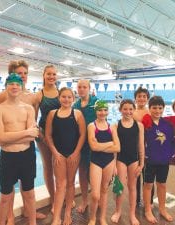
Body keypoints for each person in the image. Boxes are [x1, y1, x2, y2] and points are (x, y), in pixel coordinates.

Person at [0, 60, 45, 222]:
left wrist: (26, 133)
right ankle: (7, 218)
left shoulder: (29, 105)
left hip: (27, 155)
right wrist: (26, 132)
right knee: (5, 196)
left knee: (29, 193)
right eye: (11, 83)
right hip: (8, 157)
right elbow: (1, 139)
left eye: (19, 81)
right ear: (6, 85)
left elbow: (33, 134)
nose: (15, 85)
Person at [45, 87, 86, 225]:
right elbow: (48, 135)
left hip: (73, 154)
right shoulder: (52, 114)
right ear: (59, 98)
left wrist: (76, 152)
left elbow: (82, 135)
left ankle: (68, 213)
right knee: (60, 184)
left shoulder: (77, 114)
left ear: (73, 99)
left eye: (69, 97)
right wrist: (55, 153)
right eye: (63, 96)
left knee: (70, 183)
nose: (66, 99)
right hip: (58, 154)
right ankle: (57, 217)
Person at [141, 96, 175, 223]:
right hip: (149, 161)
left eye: (160, 108)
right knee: (148, 185)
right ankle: (147, 211)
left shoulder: (167, 124)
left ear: (163, 108)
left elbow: (173, 142)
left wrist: (170, 155)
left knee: (162, 184)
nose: (157, 110)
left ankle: (162, 209)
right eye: (154, 108)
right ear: (149, 109)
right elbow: (140, 142)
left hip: (164, 161)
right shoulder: (145, 124)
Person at [110, 99, 144, 225]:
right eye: (125, 109)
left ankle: (132, 214)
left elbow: (141, 146)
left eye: (130, 109)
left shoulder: (139, 125)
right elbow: (114, 148)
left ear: (134, 110)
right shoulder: (116, 125)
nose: (128, 112)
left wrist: (141, 164)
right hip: (121, 159)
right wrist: (113, 165)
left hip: (134, 159)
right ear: (120, 110)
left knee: (132, 187)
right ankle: (118, 211)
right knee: (119, 187)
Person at [87, 100, 120, 225]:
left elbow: (118, 148)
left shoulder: (112, 126)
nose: (102, 112)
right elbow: (93, 147)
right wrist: (110, 143)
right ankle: (92, 218)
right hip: (96, 161)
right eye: (100, 110)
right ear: (96, 111)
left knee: (104, 190)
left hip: (109, 162)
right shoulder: (91, 126)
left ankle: (102, 218)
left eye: (105, 110)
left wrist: (100, 145)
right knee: (95, 195)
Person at [34, 65, 60, 213]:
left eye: (54, 74)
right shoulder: (39, 95)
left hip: (59, 135)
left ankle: (62, 195)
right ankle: (53, 198)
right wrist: (40, 135)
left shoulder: (61, 93)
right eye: (49, 74)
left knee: (60, 167)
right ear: (43, 75)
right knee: (48, 167)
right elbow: (34, 118)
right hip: (44, 135)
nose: (51, 76)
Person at [73, 79, 98, 213]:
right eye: (79, 87)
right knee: (82, 173)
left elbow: (103, 121)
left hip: (94, 144)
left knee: (94, 174)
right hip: (81, 144)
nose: (82, 89)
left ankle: (96, 198)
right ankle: (84, 200)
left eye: (84, 87)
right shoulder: (75, 105)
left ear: (89, 88)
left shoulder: (96, 103)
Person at [133, 87, 151, 206]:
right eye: (139, 96)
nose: (141, 98)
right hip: (135, 147)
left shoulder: (151, 112)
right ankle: (136, 200)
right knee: (135, 176)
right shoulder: (131, 112)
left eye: (144, 96)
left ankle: (149, 201)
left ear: (147, 98)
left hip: (149, 148)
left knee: (148, 176)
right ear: (135, 98)